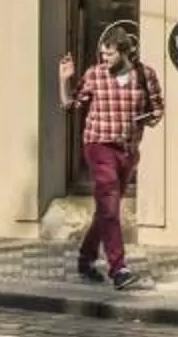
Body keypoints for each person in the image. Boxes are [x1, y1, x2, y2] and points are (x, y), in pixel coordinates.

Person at [57, 31, 164, 291]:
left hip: (127, 149)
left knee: (106, 209)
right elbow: (70, 105)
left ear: (126, 52)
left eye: (110, 53)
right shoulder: (95, 74)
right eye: (103, 53)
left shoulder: (144, 75)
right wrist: (64, 80)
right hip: (98, 145)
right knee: (110, 206)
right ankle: (119, 269)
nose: (105, 58)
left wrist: (151, 116)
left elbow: (157, 108)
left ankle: (85, 257)